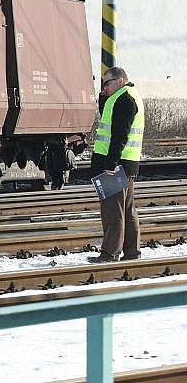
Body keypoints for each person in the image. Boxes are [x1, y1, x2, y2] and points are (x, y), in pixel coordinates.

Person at [88, 66, 144, 263]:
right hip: (124, 164)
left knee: (113, 211)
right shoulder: (125, 96)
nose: (104, 87)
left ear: (120, 80)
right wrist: (103, 98)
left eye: (107, 83)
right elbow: (111, 121)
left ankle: (109, 254)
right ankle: (132, 253)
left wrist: (111, 163)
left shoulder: (124, 99)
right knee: (127, 211)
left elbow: (120, 134)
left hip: (116, 165)